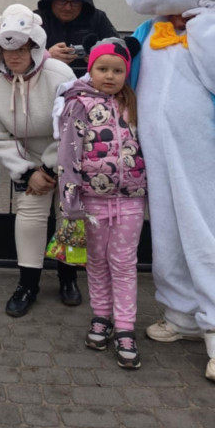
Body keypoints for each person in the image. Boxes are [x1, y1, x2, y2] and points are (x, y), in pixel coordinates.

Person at [122, 0, 215, 383]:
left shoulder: (209, 26)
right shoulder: (147, 31)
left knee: (205, 231)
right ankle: (181, 315)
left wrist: (200, 25)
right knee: (169, 235)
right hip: (155, 152)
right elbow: (119, 72)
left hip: (203, 154)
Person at [57, 37, 146, 369]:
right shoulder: (77, 103)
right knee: (96, 261)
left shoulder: (135, 102)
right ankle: (101, 317)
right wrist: (71, 201)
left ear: (127, 72)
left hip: (131, 199)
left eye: (118, 70)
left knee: (123, 263)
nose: (110, 76)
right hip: (92, 199)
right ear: (90, 69)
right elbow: (68, 153)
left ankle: (125, 328)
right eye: (102, 68)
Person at [0, 4, 76, 317]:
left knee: (68, 213)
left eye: (24, 48)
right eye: (9, 50)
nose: (16, 56)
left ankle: (68, 277)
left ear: (35, 47)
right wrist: (28, 170)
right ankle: (28, 284)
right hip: (26, 158)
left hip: (65, 153)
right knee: (29, 216)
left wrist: (49, 167)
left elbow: (72, 124)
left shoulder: (60, 74)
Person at [36, 0, 117, 76]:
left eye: (74, 2)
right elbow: (16, 54)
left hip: (88, 84)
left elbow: (119, 50)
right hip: (44, 80)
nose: (68, 7)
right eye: (61, 1)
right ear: (51, 0)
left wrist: (100, 54)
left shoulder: (97, 18)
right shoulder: (36, 19)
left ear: (83, 3)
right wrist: (47, 55)